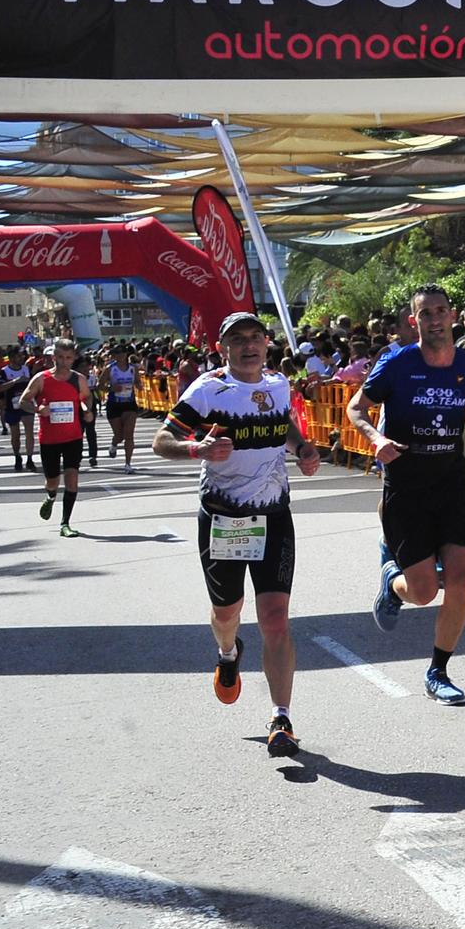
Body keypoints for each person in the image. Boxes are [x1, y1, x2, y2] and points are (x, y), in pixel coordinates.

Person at [152, 312, 323, 756]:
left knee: (276, 619)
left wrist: (302, 447)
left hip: (273, 516)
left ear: (266, 343)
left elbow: (282, 425)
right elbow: (161, 440)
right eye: (238, 340)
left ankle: (281, 718)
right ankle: (228, 654)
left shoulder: (278, 384)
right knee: (227, 614)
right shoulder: (208, 389)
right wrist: (197, 448)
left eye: (255, 337)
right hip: (223, 518)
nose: (249, 345)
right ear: (222, 348)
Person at [350, 284, 465, 704]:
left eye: (441, 311)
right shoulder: (398, 363)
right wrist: (374, 438)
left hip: (451, 483)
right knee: (423, 593)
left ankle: (438, 671)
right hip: (407, 485)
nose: (435, 319)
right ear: (414, 321)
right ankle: (391, 580)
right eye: (426, 313)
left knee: (462, 577)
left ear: (452, 316)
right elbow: (355, 408)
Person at [17, 339, 94, 537]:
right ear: (54, 357)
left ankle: (65, 523)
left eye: (68, 358)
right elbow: (23, 401)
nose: (64, 361)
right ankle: (51, 497)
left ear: (73, 358)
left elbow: (86, 397)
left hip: (73, 437)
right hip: (49, 439)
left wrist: (86, 409)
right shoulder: (41, 379)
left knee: (72, 479)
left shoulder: (79, 379)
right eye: (60, 357)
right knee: (52, 481)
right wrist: (37, 409)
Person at [0, 348, 35, 471]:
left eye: (22, 356)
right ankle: (17, 456)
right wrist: (15, 381)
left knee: (29, 431)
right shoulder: (4, 371)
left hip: (26, 404)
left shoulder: (26, 369)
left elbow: (34, 384)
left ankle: (29, 458)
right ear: (11, 358)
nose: (21, 358)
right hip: (12, 405)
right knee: (15, 434)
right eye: (18, 356)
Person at [106, 346, 141, 470]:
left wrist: (138, 385)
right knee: (119, 435)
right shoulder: (110, 368)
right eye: (117, 353)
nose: (120, 356)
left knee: (129, 435)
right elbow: (99, 385)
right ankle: (114, 444)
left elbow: (137, 381)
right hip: (114, 404)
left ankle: (128, 464)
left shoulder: (133, 368)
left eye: (122, 353)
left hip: (129, 404)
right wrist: (111, 388)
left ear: (126, 354)